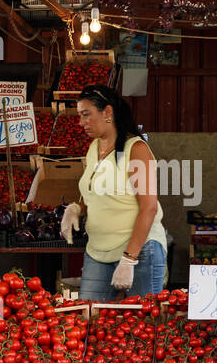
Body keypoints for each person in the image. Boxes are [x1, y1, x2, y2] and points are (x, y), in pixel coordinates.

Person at [61, 85, 168, 300]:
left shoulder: (135, 149)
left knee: (142, 325)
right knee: (89, 320)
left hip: (140, 251)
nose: (81, 123)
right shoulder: (94, 148)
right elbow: (97, 195)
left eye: (86, 115)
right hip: (97, 252)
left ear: (107, 112)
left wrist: (129, 258)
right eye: (80, 116)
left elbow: (149, 208)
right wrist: (76, 208)